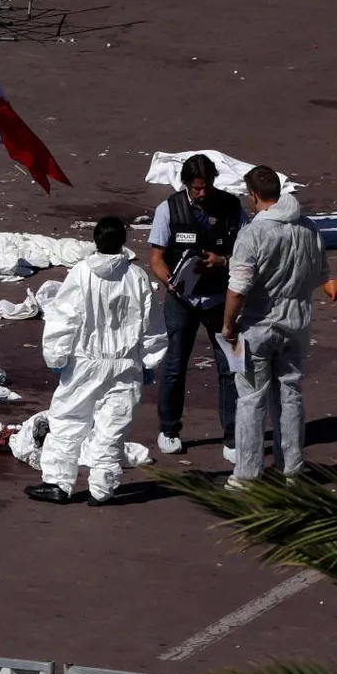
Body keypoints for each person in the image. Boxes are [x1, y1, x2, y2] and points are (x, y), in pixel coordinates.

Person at [26, 217, 162, 506]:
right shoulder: (136, 277)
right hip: (126, 364)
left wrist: (56, 355)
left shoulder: (81, 273)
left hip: (85, 363)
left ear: (96, 241)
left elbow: (64, 318)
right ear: (123, 241)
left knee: (68, 420)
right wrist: (149, 362)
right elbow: (153, 326)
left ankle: (58, 484)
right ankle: (102, 488)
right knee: (112, 427)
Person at [222, 166, 328, 486]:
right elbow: (321, 274)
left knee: (251, 399)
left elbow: (238, 287)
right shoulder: (308, 227)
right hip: (297, 320)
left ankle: (248, 472)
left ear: (252, 195)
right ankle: (292, 467)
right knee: (290, 393)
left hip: (258, 324)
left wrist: (228, 325)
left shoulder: (253, 233)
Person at [148, 153, 243, 459]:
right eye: (197, 188)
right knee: (175, 366)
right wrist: (169, 281)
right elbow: (156, 259)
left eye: (207, 186)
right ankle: (169, 429)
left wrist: (222, 261)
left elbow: (246, 254)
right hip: (182, 299)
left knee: (230, 367)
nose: (203, 193)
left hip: (219, 299)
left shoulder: (231, 207)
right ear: (186, 183)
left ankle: (232, 437)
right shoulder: (168, 210)